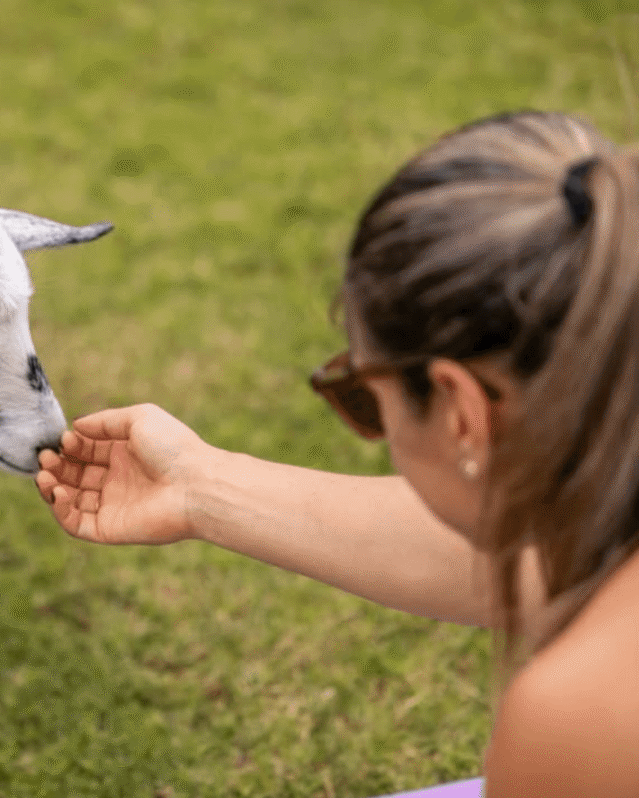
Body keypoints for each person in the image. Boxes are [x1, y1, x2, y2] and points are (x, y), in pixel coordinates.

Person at [35, 110, 639, 798]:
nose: (367, 415)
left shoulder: (582, 718)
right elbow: (533, 558)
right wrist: (201, 488)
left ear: (461, 411)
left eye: (360, 393)